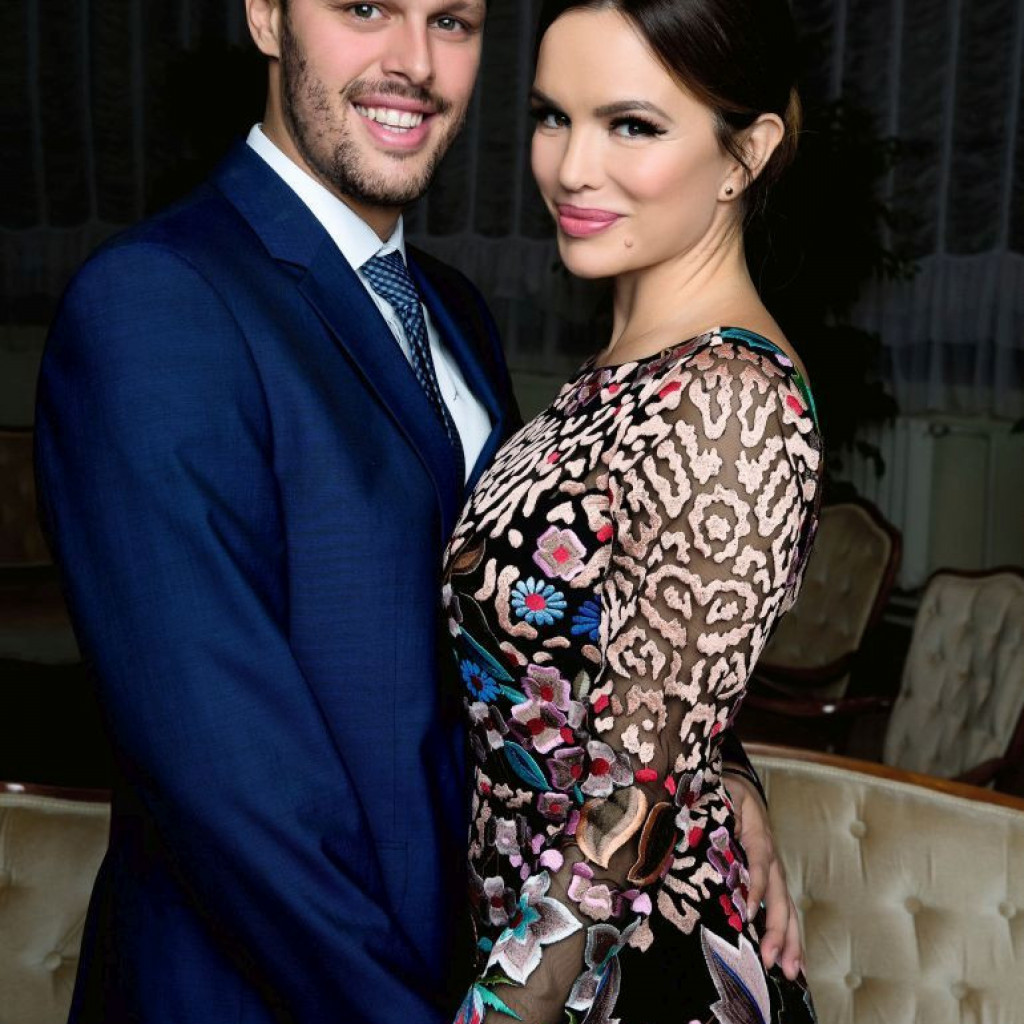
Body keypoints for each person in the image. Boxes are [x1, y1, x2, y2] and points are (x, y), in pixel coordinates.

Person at [34, 2, 797, 1022]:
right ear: (265, 15)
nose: (415, 63)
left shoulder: (454, 310)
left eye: (451, 20)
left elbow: (566, 603)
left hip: (488, 963)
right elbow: (227, 784)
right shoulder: (157, 302)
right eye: (364, 7)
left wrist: (705, 765)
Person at [443, 1, 821, 1022]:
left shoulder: (730, 399)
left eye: (633, 125)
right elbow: (648, 670)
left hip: (630, 977)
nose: (571, 168)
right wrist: (723, 766)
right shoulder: (624, 370)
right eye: (552, 116)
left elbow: (630, 821)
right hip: (538, 947)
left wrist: (492, 1014)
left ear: (744, 155)